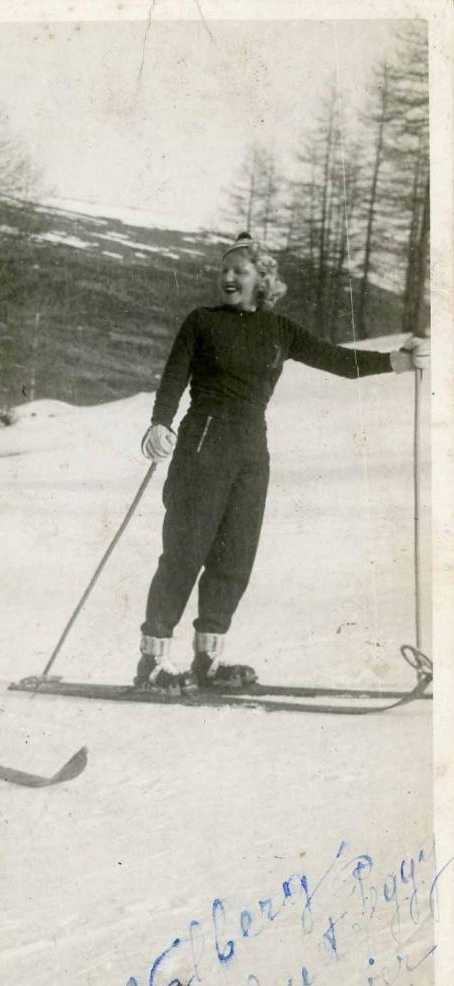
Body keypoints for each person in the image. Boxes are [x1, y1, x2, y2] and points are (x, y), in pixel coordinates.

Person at [135, 232, 430, 692]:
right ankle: (152, 664)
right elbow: (174, 375)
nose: (229, 277)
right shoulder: (202, 322)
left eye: (240, 271)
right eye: (224, 270)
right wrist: (159, 422)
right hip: (204, 440)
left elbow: (337, 360)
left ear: (262, 280)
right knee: (186, 551)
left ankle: (207, 661)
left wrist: (398, 362)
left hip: (253, 449)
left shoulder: (279, 330)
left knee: (236, 555)